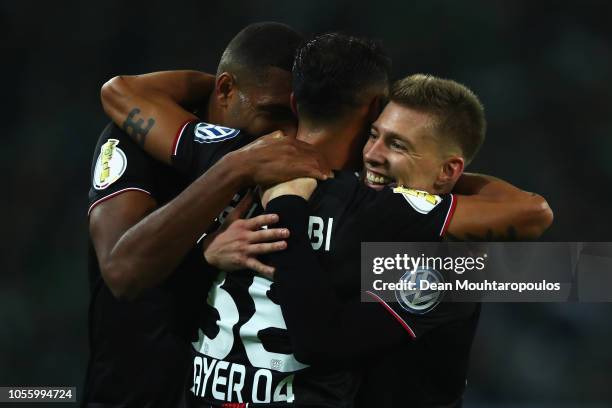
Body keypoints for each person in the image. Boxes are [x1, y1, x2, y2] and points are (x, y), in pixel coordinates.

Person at [101, 34, 552, 407]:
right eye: (375, 136)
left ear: (296, 102)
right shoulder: (385, 215)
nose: (374, 155)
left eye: (396, 145)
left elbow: (119, 92)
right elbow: (547, 237)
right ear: (371, 110)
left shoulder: (238, 157)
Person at [85, 22, 329, 408]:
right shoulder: (136, 142)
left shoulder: (291, 161)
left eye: (295, 119)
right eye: (274, 114)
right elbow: (122, 272)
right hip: (135, 392)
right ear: (227, 90)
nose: (285, 134)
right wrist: (232, 169)